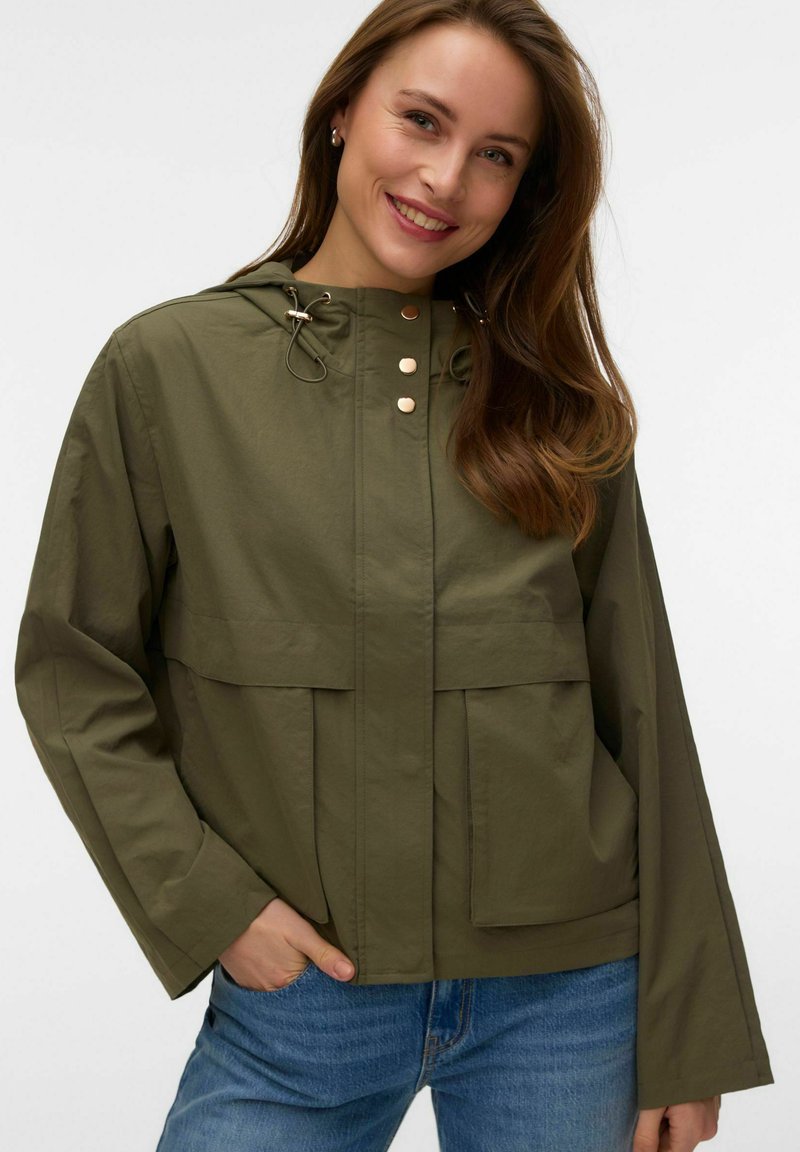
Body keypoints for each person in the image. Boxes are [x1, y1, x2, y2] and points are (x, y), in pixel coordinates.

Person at [14, 1, 774, 1149]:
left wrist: (688, 1033)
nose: (444, 178)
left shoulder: (554, 405)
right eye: (420, 121)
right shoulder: (166, 369)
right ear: (340, 112)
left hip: (570, 999)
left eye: (495, 155)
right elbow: (74, 672)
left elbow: (643, 715)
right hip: (300, 1003)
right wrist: (212, 905)